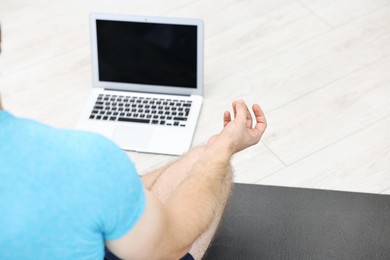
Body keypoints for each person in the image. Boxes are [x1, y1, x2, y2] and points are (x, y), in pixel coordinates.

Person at [0, 24, 267, 259]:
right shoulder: (84, 160)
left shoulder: (85, 169)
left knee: (189, 162)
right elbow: (168, 246)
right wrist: (223, 148)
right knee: (208, 162)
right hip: (157, 246)